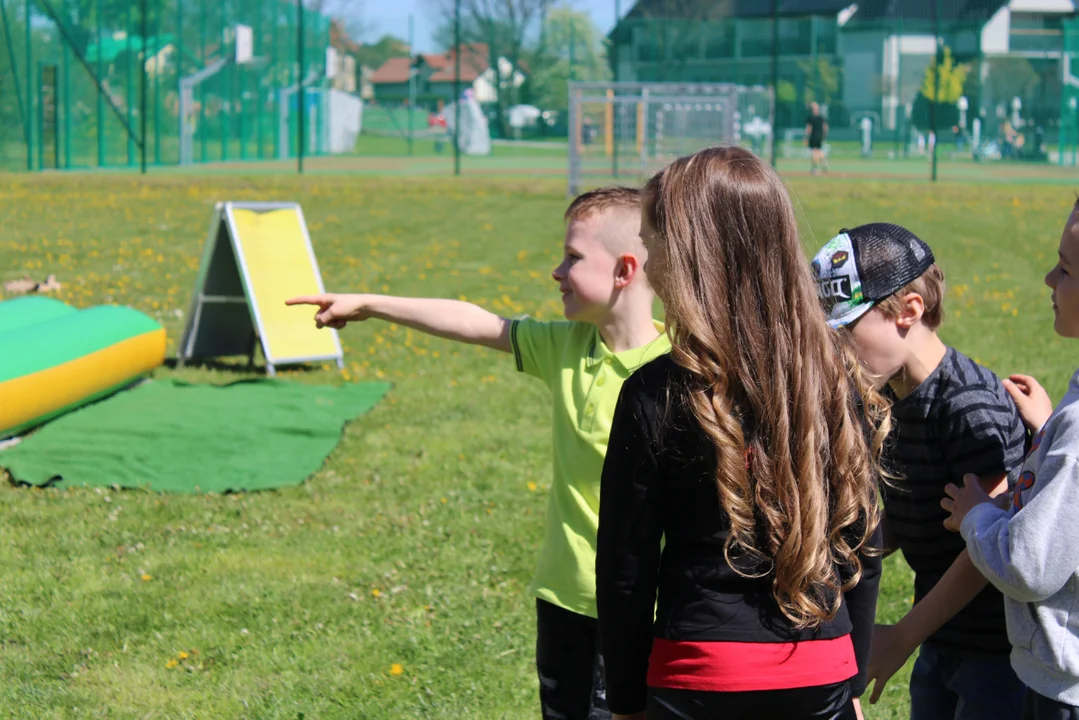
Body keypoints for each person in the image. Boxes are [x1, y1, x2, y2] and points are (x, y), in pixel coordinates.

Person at [286, 186, 670, 720]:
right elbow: (474, 322)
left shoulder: (679, 370)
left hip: (641, 610)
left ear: (624, 271)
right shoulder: (564, 348)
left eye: (573, 258)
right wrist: (370, 304)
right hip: (563, 598)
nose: (557, 272)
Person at [596, 146, 889, 720]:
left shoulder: (655, 392)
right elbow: (862, 538)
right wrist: (849, 677)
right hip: (819, 671)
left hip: (698, 677)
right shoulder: (835, 378)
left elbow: (625, 567)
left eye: (655, 246)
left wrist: (626, 702)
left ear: (692, 258)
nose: (649, 264)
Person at [810, 224, 1028, 719]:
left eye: (847, 331)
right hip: (942, 636)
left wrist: (902, 635)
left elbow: (988, 549)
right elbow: (920, 515)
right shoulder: (886, 394)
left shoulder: (970, 407)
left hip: (998, 652)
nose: (835, 350)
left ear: (909, 310)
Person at [943, 197, 1079, 719]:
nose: (1048, 278)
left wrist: (977, 513)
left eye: (1065, 269)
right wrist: (1047, 430)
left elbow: (1030, 565)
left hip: (1064, 688)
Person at [805, 102, 829, 175]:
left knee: (814, 151)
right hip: (820, 136)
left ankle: (815, 168)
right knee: (819, 150)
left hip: (814, 136)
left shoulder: (811, 117)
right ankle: (824, 162)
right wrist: (824, 136)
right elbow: (825, 127)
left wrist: (806, 137)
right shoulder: (821, 117)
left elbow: (809, 128)